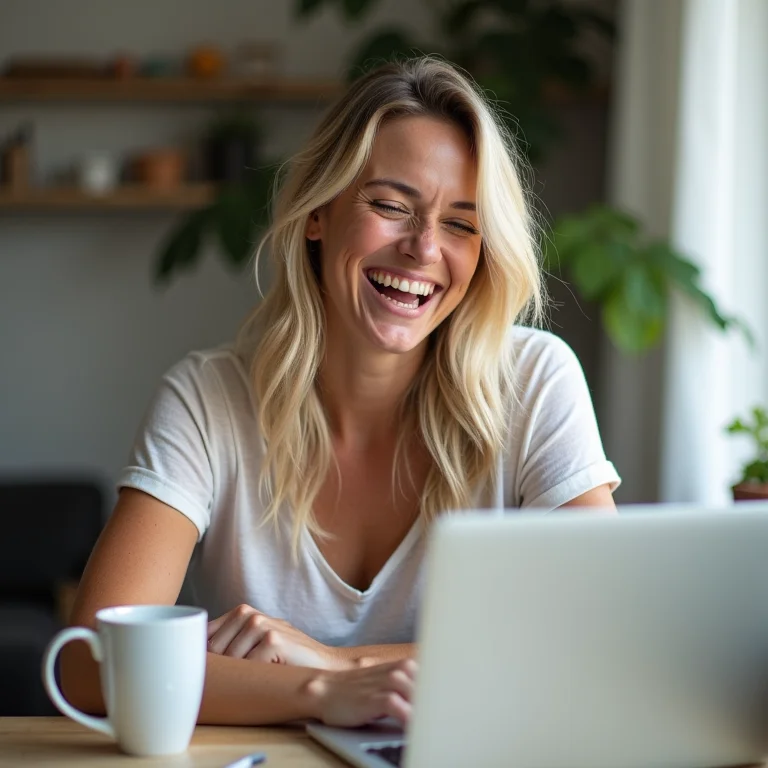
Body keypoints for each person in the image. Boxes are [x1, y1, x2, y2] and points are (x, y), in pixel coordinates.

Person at [62, 56, 620, 727]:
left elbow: (602, 641)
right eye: (391, 206)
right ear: (318, 214)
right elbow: (90, 663)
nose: (423, 248)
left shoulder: (535, 381)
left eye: (460, 224)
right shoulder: (206, 400)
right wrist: (320, 693)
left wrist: (334, 662)